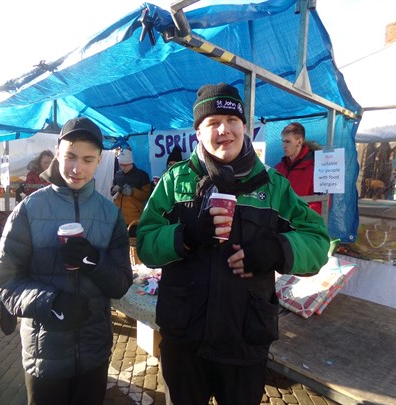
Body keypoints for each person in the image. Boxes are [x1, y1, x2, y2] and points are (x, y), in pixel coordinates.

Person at [136, 83, 330, 405]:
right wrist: (184, 236)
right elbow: (145, 243)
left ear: (244, 127)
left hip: (245, 340)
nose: (223, 129)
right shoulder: (174, 181)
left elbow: (316, 241)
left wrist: (275, 250)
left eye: (231, 119)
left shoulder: (273, 185)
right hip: (185, 341)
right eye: (212, 122)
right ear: (198, 132)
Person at [0, 117, 132, 405]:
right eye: (70, 157)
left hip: (94, 351)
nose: (77, 168)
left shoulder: (110, 213)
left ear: (99, 161)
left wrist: (94, 260)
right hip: (44, 353)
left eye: (88, 159)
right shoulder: (30, 208)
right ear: (58, 152)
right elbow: (4, 279)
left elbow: (120, 283)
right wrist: (49, 302)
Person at [274, 122, 323, 214]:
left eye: (288, 141)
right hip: (279, 224)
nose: (283, 145)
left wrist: (297, 213)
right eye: (283, 141)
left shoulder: (317, 169)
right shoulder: (279, 168)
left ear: (299, 142)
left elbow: (321, 204)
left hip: (302, 225)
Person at [110, 148, 151, 225]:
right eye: (121, 165)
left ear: (131, 162)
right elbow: (112, 192)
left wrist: (133, 191)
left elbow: (146, 196)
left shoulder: (142, 175)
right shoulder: (118, 174)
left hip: (134, 218)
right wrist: (113, 190)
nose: (123, 167)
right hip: (118, 217)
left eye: (125, 165)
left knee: (132, 237)